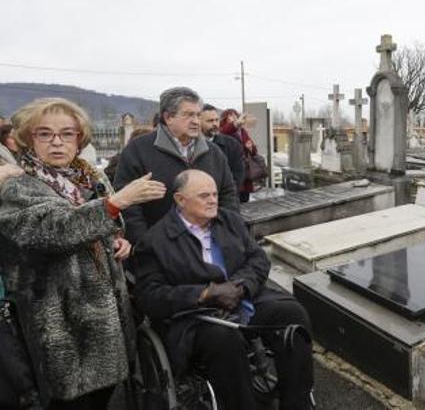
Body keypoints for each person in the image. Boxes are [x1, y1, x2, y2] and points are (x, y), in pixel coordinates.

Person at [0, 98, 165, 408]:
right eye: (45, 134)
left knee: (101, 396)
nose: (57, 142)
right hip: (63, 331)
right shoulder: (19, 187)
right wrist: (117, 204)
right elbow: (55, 229)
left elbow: (101, 225)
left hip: (103, 324)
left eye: (67, 133)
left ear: (80, 139)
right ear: (27, 139)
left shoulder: (88, 178)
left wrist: (118, 239)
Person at [134, 169, 314, 410]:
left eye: (215, 194)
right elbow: (150, 297)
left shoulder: (230, 221)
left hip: (243, 299)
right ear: (180, 199)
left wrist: (239, 287)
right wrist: (203, 295)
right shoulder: (155, 241)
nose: (212, 200)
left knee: (293, 314)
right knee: (225, 340)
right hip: (197, 317)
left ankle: (297, 403)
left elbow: (258, 260)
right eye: (204, 195)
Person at [114, 87, 239, 246]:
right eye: (188, 115)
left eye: (198, 115)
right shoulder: (138, 150)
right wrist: (146, 245)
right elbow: (128, 206)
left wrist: (225, 234)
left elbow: (228, 196)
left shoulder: (213, 152)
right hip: (159, 252)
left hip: (209, 246)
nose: (196, 121)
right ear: (168, 117)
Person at [220, 109, 262, 203]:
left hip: (245, 172)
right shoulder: (223, 130)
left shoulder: (242, 131)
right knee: (233, 199)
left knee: (244, 199)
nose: (234, 118)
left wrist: (251, 148)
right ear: (225, 119)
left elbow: (254, 150)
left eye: (235, 115)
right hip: (232, 171)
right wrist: (235, 124)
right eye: (230, 116)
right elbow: (225, 131)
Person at [201, 104, 245, 192]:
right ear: (199, 122)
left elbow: (238, 176)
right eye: (210, 121)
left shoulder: (232, 145)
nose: (215, 124)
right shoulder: (190, 145)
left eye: (216, 120)